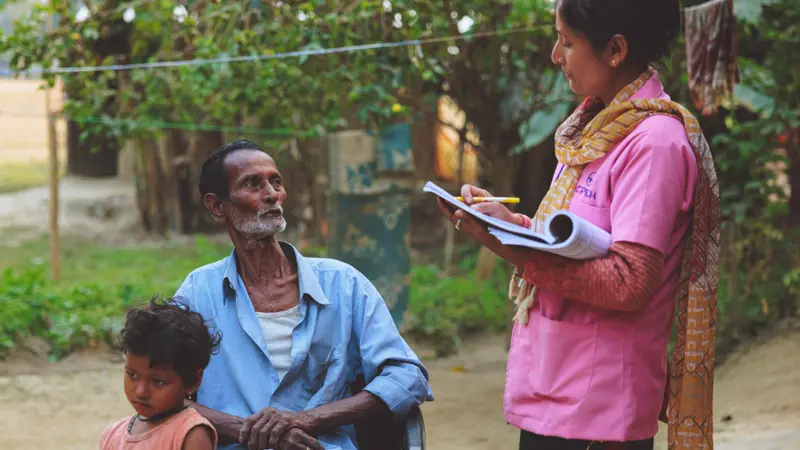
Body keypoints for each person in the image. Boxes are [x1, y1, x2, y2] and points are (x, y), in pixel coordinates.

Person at [436, 1, 720, 449]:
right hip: (559, 389)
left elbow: (629, 282)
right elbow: (571, 239)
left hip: (600, 407)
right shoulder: (595, 130)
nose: (555, 55)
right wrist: (510, 223)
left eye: (567, 42)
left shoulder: (653, 143)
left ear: (615, 50)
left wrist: (512, 248)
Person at [175, 139, 433, 450]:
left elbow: (407, 376)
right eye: (253, 184)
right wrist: (245, 429)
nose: (272, 194)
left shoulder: (342, 284)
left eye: (276, 182)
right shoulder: (198, 292)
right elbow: (163, 391)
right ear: (218, 206)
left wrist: (307, 419)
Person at [100, 296, 222, 450]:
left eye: (157, 381)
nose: (141, 392)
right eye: (133, 375)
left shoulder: (190, 433)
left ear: (193, 381)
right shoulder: (112, 434)